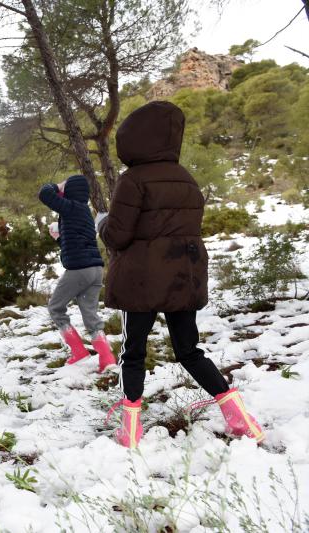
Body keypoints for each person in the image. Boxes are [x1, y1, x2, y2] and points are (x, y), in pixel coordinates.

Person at [98, 101, 264, 449]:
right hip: (182, 276)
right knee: (189, 350)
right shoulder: (187, 178)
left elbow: (117, 236)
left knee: (133, 351)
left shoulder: (133, 179)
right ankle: (240, 418)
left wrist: (102, 223)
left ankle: (130, 429)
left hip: (142, 280)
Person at [39, 174, 117, 373]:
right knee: (90, 315)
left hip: (79, 270)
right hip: (95, 270)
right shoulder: (83, 212)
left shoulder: (71, 207)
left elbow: (44, 194)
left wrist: (56, 186)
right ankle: (107, 358)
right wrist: (59, 238)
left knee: (56, 308)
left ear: (70, 191)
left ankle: (78, 351)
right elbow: (77, 244)